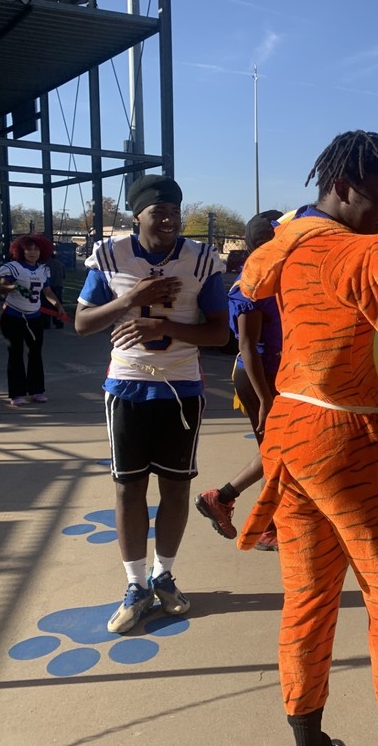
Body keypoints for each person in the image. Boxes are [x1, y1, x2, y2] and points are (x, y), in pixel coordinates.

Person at [237, 130, 378, 746]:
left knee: (307, 596)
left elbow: (247, 291)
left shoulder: (284, 246)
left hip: (292, 433)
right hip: (351, 438)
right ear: (341, 186)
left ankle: (308, 735)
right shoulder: (359, 253)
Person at [75, 174, 229, 634]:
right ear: (136, 214)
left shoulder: (202, 260)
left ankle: (164, 574)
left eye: (175, 212)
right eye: (158, 212)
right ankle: (135, 584)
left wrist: (167, 330)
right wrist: (133, 298)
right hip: (126, 385)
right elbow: (82, 323)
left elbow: (220, 333)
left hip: (181, 388)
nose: (168, 220)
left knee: (177, 488)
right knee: (128, 488)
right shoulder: (111, 255)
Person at [195, 209, 285, 552]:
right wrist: (264, 398)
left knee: (279, 453)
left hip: (280, 373)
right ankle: (265, 527)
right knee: (278, 455)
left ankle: (222, 498)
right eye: (272, 241)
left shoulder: (280, 274)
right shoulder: (251, 283)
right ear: (256, 245)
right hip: (257, 376)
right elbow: (247, 345)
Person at [0, 234, 66, 405]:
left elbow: (48, 292)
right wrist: (15, 287)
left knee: (35, 354)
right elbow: (1, 288)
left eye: (36, 249)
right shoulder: (12, 267)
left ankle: (37, 390)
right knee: (15, 354)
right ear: (21, 250)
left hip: (34, 317)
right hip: (13, 316)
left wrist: (58, 306)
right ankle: (16, 393)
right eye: (28, 249)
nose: (32, 252)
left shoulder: (43, 270)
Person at [43, 253, 66, 329]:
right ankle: (58, 322)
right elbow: (64, 276)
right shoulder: (60, 264)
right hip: (58, 286)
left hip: (49, 287)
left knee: (47, 305)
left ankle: (46, 323)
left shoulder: (45, 265)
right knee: (58, 305)